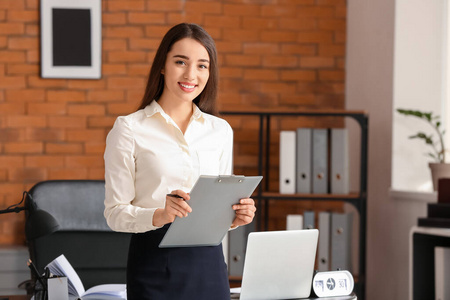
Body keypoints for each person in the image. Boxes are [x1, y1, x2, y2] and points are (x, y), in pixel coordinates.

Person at [103, 23, 257, 300]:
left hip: (209, 267)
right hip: (154, 266)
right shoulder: (129, 129)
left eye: (202, 66)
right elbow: (115, 214)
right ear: (162, 65)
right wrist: (160, 215)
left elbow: (217, 207)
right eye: (180, 62)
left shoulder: (220, 131)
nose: (191, 74)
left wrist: (235, 217)